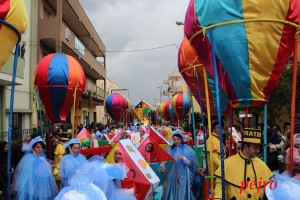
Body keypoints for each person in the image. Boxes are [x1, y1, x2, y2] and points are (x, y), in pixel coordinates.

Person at [213, 128, 273, 199]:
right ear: (246, 146)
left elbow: (269, 190)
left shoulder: (262, 164)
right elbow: (220, 188)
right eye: (255, 148)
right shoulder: (228, 163)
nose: (258, 151)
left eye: (259, 148)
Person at [163, 130, 197, 200]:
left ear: (181, 139)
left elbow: (190, 163)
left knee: (182, 188)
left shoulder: (186, 148)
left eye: (177, 139)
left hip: (183, 173)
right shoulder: (170, 149)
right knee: (172, 187)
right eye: (174, 139)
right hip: (173, 173)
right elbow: (167, 160)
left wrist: (183, 158)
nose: (176, 141)